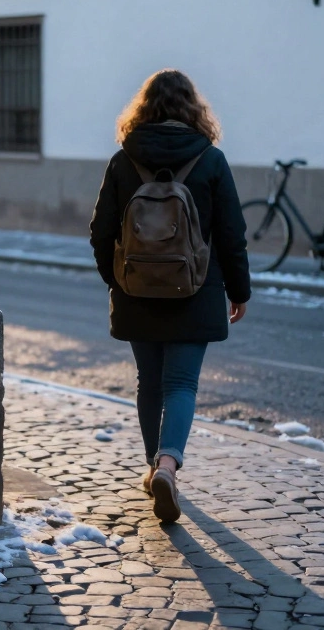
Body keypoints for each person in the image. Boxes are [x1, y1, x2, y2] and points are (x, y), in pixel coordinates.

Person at [88, 69, 251, 523]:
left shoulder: (124, 159)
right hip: (195, 289)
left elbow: (100, 232)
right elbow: (232, 233)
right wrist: (239, 291)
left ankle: (152, 468)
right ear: (192, 108)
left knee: (150, 384)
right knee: (181, 384)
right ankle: (168, 465)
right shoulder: (211, 161)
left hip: (137, 288)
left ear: (143, 108)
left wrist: (117, 280)